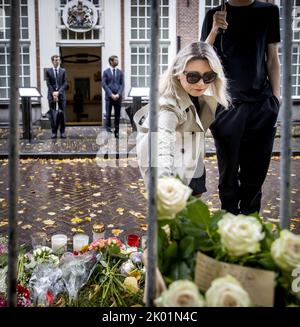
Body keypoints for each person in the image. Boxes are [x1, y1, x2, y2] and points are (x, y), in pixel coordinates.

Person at [201, 0, 281, 214]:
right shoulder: (213, 15)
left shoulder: (269, 12)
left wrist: (276, 99)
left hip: (262, 107)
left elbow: (272, 57)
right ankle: (228, 227)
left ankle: (250, 229)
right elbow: (201, 60)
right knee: (227, 176)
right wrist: (215, 31)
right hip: (227, 107)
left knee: (255, 176)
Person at [134, 41, 230, 196]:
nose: (201, 83)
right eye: (193, 77)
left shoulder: (201, 94)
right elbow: (162, 148)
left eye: (208, 76)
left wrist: (213, 32)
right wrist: (164, 188)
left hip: (194, 165)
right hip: (175, 174)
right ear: (178, 73)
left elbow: (201, 55)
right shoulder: (168, 106)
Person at [102, 55, 124, 138]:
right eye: (116, 60)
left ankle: (116, 131)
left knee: (117, 115)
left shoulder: (120, 72)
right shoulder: (105, 72)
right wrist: (111, 94)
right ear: (111, 61)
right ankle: (108, 130)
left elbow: (122, 85)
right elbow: (104, 85)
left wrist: (118, 94)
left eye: (117, 60)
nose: (117, 62)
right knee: (108, 115)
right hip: (109, 97)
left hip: (118, 97)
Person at [46, 55, 67, 139]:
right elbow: (48, 83)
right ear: (52, 61)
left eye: (58, 60)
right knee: (52, 114)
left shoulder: (63, 71)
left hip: (61, 95)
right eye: (55, 60)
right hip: (51, 95)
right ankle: (54, 132)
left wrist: (58, 92)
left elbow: (65, 83)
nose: (57, 61)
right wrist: (53, 93)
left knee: (62, 114)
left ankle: (62, 132)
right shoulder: (48, 71)